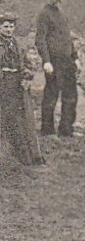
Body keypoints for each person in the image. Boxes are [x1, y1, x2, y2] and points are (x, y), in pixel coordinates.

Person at [34, 0, 78, 138]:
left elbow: (68, 38)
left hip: (67, 62)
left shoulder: (62, 14)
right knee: (51, 95)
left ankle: (66, 130)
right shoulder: (44, 14)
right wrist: (46, 61)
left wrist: (75, 57)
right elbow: (40, 39)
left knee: (70, 96)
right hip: (54, 61)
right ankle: (47, 130)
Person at [0, 13, 43, 166]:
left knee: (19, 118)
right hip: (2, 83)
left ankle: (25, 156)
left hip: (16, 84)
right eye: (5, 26)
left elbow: (27, 64)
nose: (9, 30)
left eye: (11, 27)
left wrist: (27, 76)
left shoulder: (17, 44)